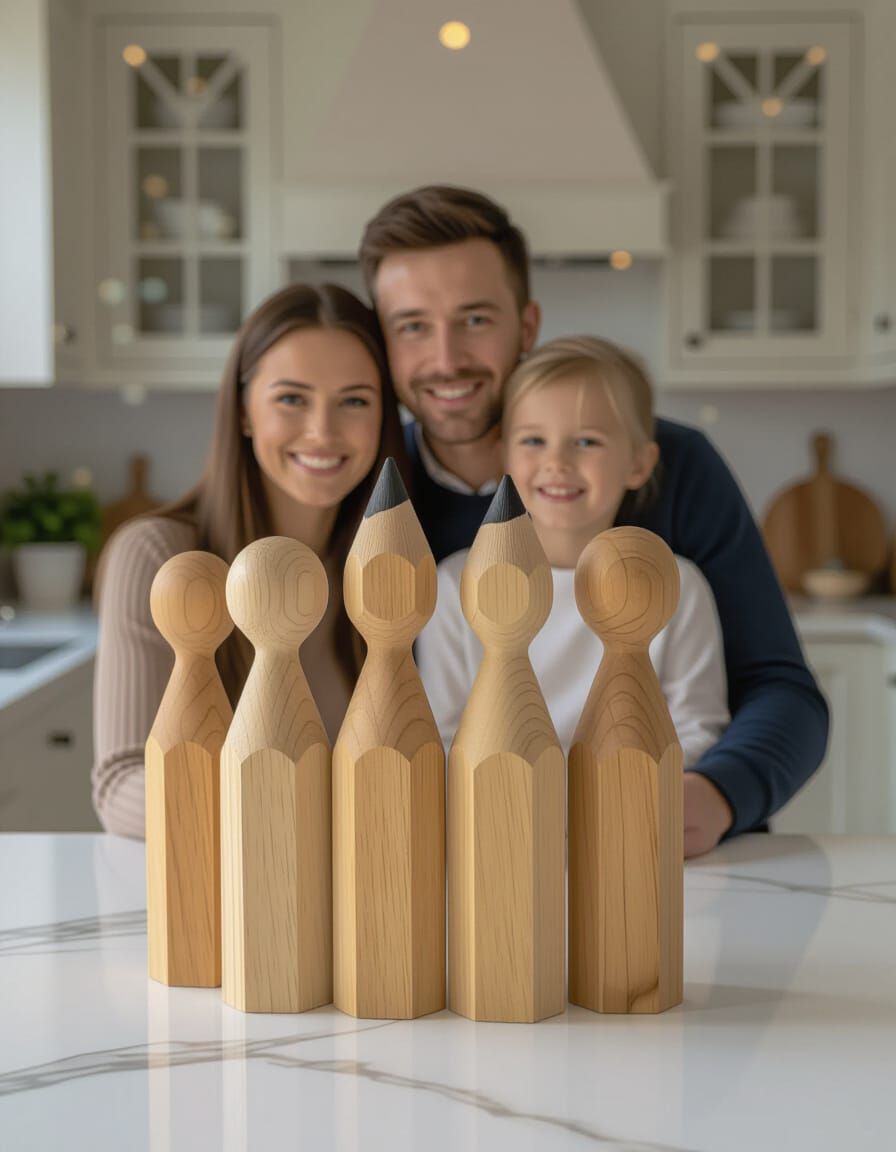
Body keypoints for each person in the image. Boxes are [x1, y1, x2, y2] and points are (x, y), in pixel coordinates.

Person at [359, 184, 829, 855]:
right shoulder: (377, 494)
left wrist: (716, 793)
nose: (446, 358)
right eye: (411, 326)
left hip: (661, 844)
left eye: (475, 320)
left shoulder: (675, 467)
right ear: (384, 341)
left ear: (525, 325)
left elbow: (782, 693)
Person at [92, 283, 409, 838]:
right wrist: (272, 807)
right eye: (292, 398)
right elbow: (121, 784)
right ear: (243, 411)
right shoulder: (158, 555)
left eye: (354, 400)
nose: (322, 431)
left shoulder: (385, 570)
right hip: (221, 898)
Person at [417, 337, 730, 856]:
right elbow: (445, 737)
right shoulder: (457, 584)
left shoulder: (678, 586)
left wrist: (612, 800)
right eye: (534, 441)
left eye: (586, 441)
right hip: (499, 838)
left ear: (638, 463)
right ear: (503, 457)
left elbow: (698, 729)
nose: (557, 462)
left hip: (631, 838)